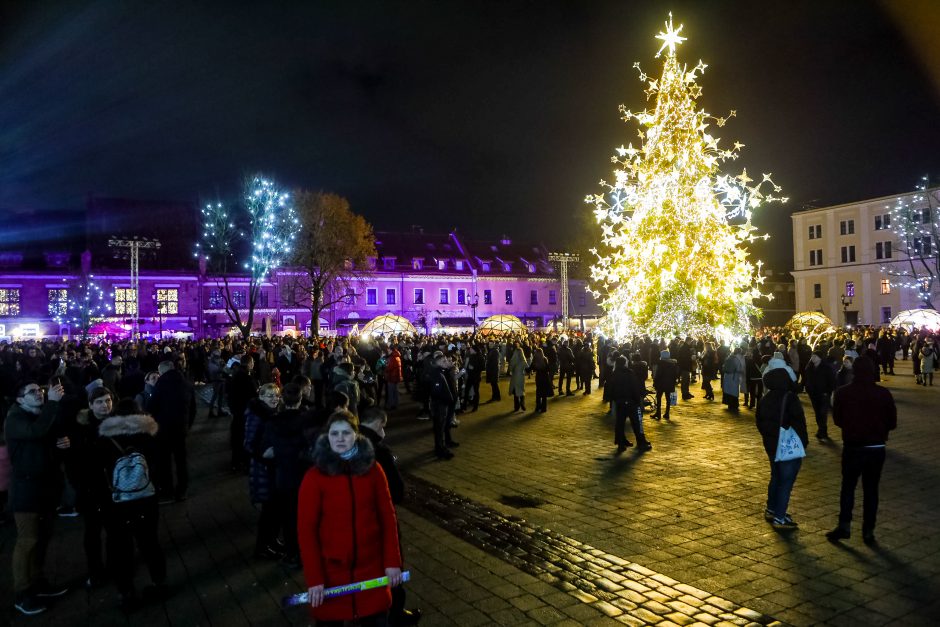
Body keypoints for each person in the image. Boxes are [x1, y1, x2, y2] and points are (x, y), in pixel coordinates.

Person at [297, 411, 403, 626]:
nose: (340, 438)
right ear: (327, 437)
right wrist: (315, 578)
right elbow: (306, 530)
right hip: (331, 574)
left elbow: (387, 517)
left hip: (371, 569)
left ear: (357, 435)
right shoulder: (314, 477)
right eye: (334, 433)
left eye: (346, 432)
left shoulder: (373, 470)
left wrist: (393, 561)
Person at [5, 381, 70, 616]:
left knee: (43, 537)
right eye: (32, 392)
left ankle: (37, 580)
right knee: (27, 541)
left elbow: (49, 436)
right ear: (20, 399)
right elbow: (36, 432)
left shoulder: (41, 413)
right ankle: (22, 593)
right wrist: (52, 403)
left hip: (46, 487)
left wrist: (63, 444)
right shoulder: (14, 419)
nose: (39, 393)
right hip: (26, 489)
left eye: (40, 390)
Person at [97, 398, 166, 610]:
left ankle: (125, 591)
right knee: (150, 542)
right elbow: (160, 463)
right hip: (146, 497)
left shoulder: (105, 435)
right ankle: (158, 583)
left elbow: (99, 468)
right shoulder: (150, 432)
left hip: (119, 501)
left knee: (121, 546)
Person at [359, 408, 422, 626]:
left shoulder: (351, 444)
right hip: (379, 518)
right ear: (378, 424)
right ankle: (395, 612)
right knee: (391, 564)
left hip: (358, 522)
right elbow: (396, 490)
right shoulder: (379, 451)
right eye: (383, 426)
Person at [827, 356, 897, 545]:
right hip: (876, 447)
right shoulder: (883, 394)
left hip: (853, 446)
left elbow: (838, 420)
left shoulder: (843, 393)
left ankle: (844, 525)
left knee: (848, 487)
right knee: (871, 489)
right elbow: (892, 422)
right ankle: (868, 530)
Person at [755, 356, 806, 530]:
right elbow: (799, 423)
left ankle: (771, 508)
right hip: (787, 445)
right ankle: (780, 517)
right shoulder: (789, 398)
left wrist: (769, 438)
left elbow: (759, 422)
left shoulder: (765, 398)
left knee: (775, 477)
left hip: (771, 445)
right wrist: (803, 442)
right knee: (786, 481)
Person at [146, 360, 196, 503]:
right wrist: (187, 425)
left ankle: (167, 491)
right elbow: (193, 409)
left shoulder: (161, 385)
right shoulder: (186, 383)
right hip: (181, 429)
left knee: (164, 462)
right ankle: (183, 490)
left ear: (161, 372)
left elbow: (151, 407)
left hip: (163, 430)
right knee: (181, 461)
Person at [244, 383, 283, 559]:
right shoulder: (256, 415)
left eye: (276, 395)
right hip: (264, 469)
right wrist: (264, 455)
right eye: (269, 396)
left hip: (274, 467)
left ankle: (272, 540)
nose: (274, 398)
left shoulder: (272, 413)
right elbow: (249, 443)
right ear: (261, 397)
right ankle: (262, 547)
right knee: (268, 511)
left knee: (275, 509)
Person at [605, 355, 651, 452]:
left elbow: (610, 389)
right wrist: (637, 400)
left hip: (620, 402)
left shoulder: (614, 374)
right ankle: (641, 442)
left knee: (620, 423)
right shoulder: (629, 373)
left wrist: (615, 399)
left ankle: (621, 443)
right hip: (631, 402)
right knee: (636, 423)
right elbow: (634, 387)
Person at [427, 351, 458, 459]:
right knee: (439, 428)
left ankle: (441, 447)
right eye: (444, 361)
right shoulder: (437, 373)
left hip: (441, 404)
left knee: (440, 428)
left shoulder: (441, 371)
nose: (446, 362)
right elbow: (437, 391)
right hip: (440, 405)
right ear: (439, 362)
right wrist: (447, 399)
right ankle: (440, 450)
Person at [652, 350, 678, 421]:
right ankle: (667, 413)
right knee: (668, 398)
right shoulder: (673, 364)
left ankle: (658, 413)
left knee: (659, 398)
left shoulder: (661, 364)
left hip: (661, 383)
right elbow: (675, 375)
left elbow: (658, 374)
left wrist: (655, 382)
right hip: (669, 383)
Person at [721, 348, 746, 412]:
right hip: (734, 377)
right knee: (734, 391)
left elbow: (723, 367)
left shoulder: (728, 358)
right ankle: (734, 404)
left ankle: (729, 403)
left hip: (727, 376)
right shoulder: (738, 359)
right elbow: (740, 369)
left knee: (728, 390)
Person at [508, 342, 531, 411]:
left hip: (515, 376)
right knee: (521, 390)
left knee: (515, 392)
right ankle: (522, 403)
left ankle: (516, 407)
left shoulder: (513, 359)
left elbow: (510, 368)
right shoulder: (523, 359)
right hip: (521, 376)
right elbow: (527, 367)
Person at [530, 347, 552, 413]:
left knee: (538, 392)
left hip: (539, 377)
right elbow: (548, 369)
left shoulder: (535, 360)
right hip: (545, 377)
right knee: (544, 393)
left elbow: (530, 368)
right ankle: (543, 408)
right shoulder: (545, 359)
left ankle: (538, 406)